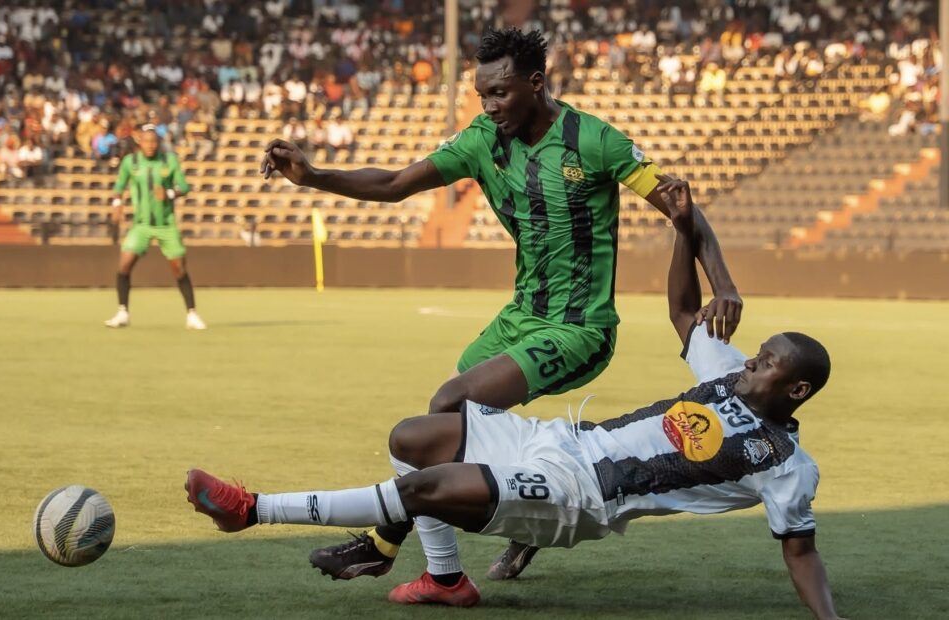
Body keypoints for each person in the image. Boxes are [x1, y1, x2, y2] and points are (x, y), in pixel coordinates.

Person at [185, 178, 841, 617]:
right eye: (758, 355)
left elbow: (801, 552)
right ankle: (446, 580)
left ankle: (253, 510)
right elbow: (681, 309)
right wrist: (681, 228)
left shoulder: (783, 460)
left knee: (426, 488)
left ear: (798, 389)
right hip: (562, 440)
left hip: (584, 497)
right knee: (413, 437)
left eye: (768, 363)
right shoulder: (726, 372)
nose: (752, 361)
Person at [258, 28, 742, 589]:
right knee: (444, 424)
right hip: (519, 319)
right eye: (482, 95)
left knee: (448, 401)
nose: (489, 107)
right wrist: (315, 176)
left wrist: (723, 285)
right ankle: (487, 541)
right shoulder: (483, 139)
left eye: (500, 94)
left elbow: (683, 207)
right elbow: (394, 183)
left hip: (578, 329)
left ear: (535, 84)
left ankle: (387, 544)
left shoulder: (595, 140)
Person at [104, 125, 207, 330]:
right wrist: (117, 205)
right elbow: (119, 187)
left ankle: (192, 314)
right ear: (140, 142)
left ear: (158, 143)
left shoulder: (169, 160)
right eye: (146, 141)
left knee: (179, 269)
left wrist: (169, 193)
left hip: (166, 224)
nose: (150, 145)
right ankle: (122, 312)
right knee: (124, 265)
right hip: (141, 224)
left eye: (153, 141)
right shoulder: (130, 162)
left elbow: (184, 187)